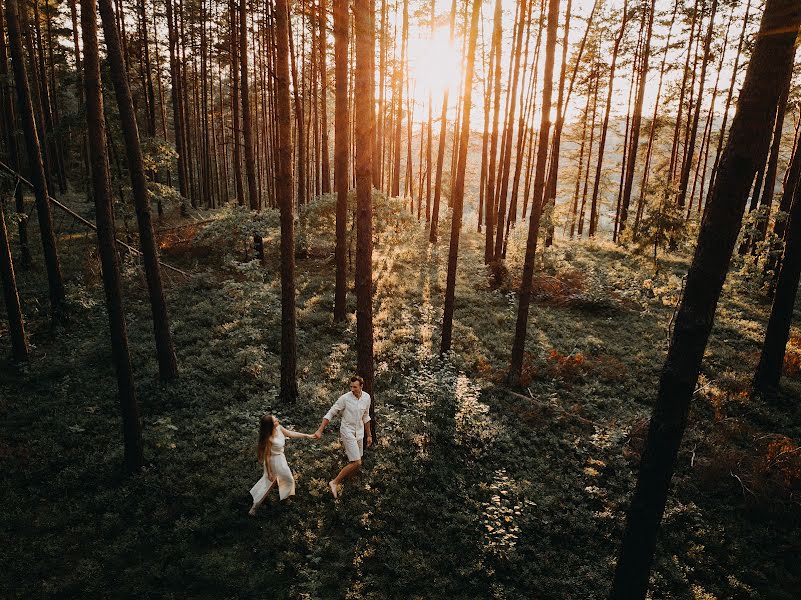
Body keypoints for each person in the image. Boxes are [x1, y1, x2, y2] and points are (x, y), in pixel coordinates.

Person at [314, 375, 373, 499]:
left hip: (360, 432)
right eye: (350, 387)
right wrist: (320, 430)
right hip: (347, 431)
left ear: (361, 386)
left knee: (357, 461)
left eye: (355, 387)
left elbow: (366, 417)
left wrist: (369, 435)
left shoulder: (367, 397)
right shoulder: (345, 399)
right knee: (357, 462)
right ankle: (334, 482)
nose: (352, 389)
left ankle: (351, 485)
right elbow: (331, 413)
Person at [249, 413, 315, 515]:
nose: (277, 421)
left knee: (283, 479)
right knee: (273, 482)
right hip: (274, 461)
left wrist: (306, 435)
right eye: (275, 421)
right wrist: (270, 472)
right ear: (270, 426)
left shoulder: (279, 428)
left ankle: (284, 497)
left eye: (276, 419)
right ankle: (255, 505)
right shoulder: (268, 438)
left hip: (281, 458)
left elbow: (290, 433)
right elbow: (266, 456)